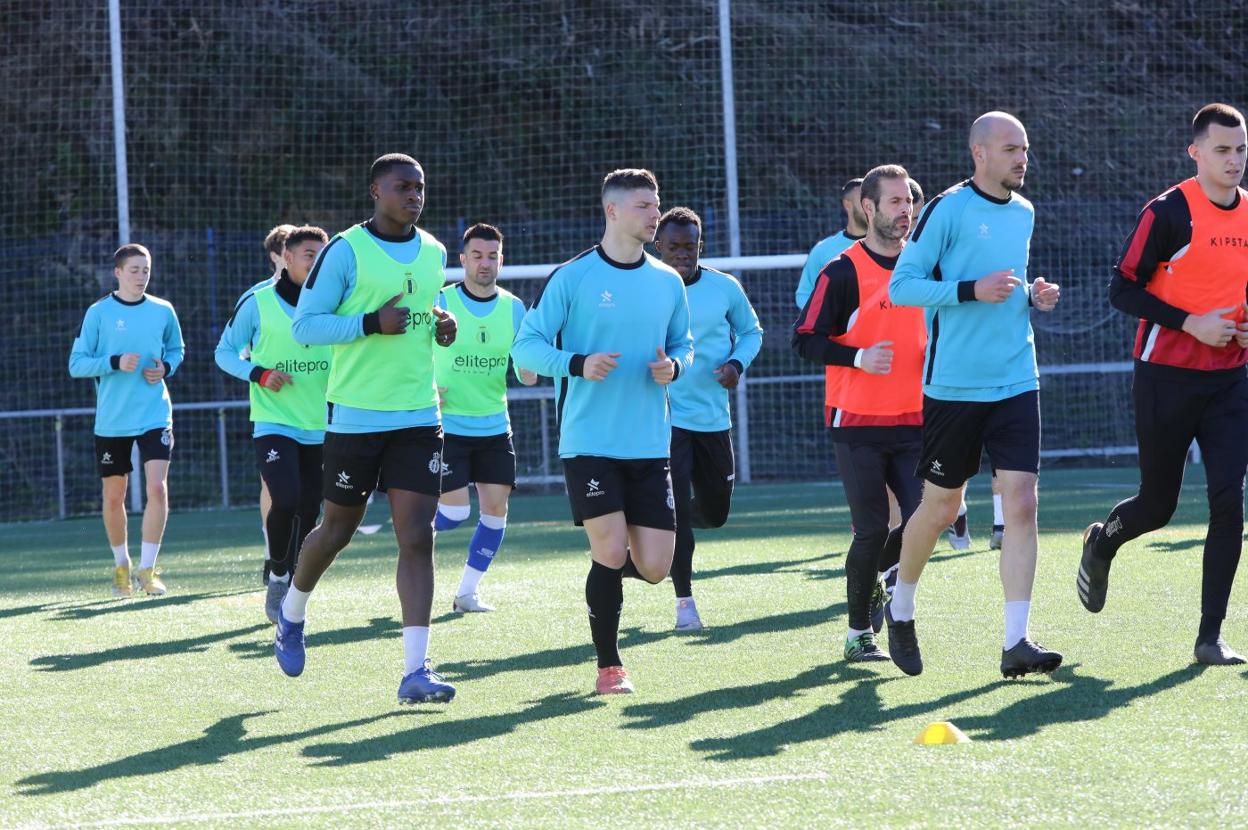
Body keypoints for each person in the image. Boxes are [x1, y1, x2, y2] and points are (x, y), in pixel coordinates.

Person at [275, 153, 460, 705]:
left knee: (416, 537)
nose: (414, 195)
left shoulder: (434, 251)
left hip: (419, 415)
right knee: (337, 529)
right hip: (355, 415)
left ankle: (415, 671)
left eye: (420, 187)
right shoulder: (346, 250)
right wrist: (368, 324)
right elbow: (306, 326)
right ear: (375, 191)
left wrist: (442, 326)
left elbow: (427, 310)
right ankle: (292, 611)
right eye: (403, 186)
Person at [885, 111, 1063, 678]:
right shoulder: (946, 208)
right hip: (954, 388)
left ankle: (1017, 642)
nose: (1022, 159)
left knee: (1022, 504)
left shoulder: (1026, 211)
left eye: (1026, 150)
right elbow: (903, 285)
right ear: (979, 153)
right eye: (1011, 149)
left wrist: (1032, 296)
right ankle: (901, 603)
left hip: (1016, 378)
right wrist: (969, 290)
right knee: (937, 510)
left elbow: (1006, 284)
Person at [1078, 103, 1248, 666]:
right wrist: (1190, 322)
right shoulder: (1169, 212)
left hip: (1229, 380)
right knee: (1158, 504)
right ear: (1195, 153)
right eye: (1222, 150)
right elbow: (1121, 290)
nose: (1233, 161)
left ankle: (1209, 637)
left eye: (1241, 149)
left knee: (1230, 504)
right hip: (1165, 376)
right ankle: (1103, 541)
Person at [513, 168, 694, 694]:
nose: (654, 213)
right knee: (611, 551)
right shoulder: (573, 277)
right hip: (589, 442)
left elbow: (684, 344)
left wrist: (675, 368)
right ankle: (609, 666)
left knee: (657, 566)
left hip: (648, 443)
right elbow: (526, 348)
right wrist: (577, 363)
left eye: (655, 203)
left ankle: (602, 581)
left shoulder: (667, 280)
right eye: (643, 205)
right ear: (612, 211)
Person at [794, 165, 926, 662]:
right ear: (867, 209)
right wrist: (857, 357)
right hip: (857, 424)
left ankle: (873, 580)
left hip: (917, 420)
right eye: (894, 202)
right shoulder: (843, 271)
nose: (904, 211)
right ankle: (858, 634)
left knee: (922, 522)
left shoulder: (923, 267)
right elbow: (803, 340)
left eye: (908, 201)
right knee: (872, 529)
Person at [652, 206, 763, 631]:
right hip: (666, 419)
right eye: (673, 247)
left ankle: (655, 531)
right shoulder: (648, 289)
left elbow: (752, 332)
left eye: (689, 246)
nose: (682, 254)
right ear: (657, 247)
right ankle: (685, 604)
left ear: (701, 246)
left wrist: (736, 364)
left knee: (715, 513)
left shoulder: (724, 288)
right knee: (678, 509)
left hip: (714, 420)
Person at [216, 226, 331, 623]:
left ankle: (295, 576)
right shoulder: (258, 302)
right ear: (288, 256)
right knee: (284, 498)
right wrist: (259, 373)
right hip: (274, 422)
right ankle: (279, 575)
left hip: (321, 425)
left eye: (322, 255)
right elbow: (224, 352)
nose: (316, 263)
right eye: (309, 255)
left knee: (311, 508)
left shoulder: (337, 304)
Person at [69, 243, 185, 597]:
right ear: (117, 273)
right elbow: (77, 364)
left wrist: (165, 367)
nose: (141, 277)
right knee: (113, 496)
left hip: (154, 413)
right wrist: (114, 361)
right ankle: (122, 567)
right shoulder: (99, 313)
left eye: (146, 270)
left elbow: (177, 350)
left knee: (156, 488)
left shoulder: (163, 310)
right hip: (113, 420)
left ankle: (148, 571)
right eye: (134, 270)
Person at [432, 223, 537, 613]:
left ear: (501, 260)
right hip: (448, 426)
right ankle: (413, 535)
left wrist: (529, 371)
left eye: (492, 256)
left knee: (496, 510)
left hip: (495, 426)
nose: (484, 263)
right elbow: (412, 352)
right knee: (456, 511)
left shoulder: (513, 308)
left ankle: (466, 593)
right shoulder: (439, 301)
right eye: (476, 256)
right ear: (462, 260)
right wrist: (427, 386)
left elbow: (526, 366)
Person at [253, 224, 298, 583]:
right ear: (276, 256)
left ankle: (294, 556)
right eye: (288, 248)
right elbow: (232, 351)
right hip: (273, 409)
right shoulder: (257, 298)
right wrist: (259, 372)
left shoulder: (323, 296)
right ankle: (274, 555)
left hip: (317, 412)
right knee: (273, 488)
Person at [795, 177, 867, 309]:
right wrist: (827, 318)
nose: (870, 207)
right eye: (864, 202)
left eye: (874, 201)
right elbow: (804, 294)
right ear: (848, 205)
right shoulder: (823, 250)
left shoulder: (889, 247)